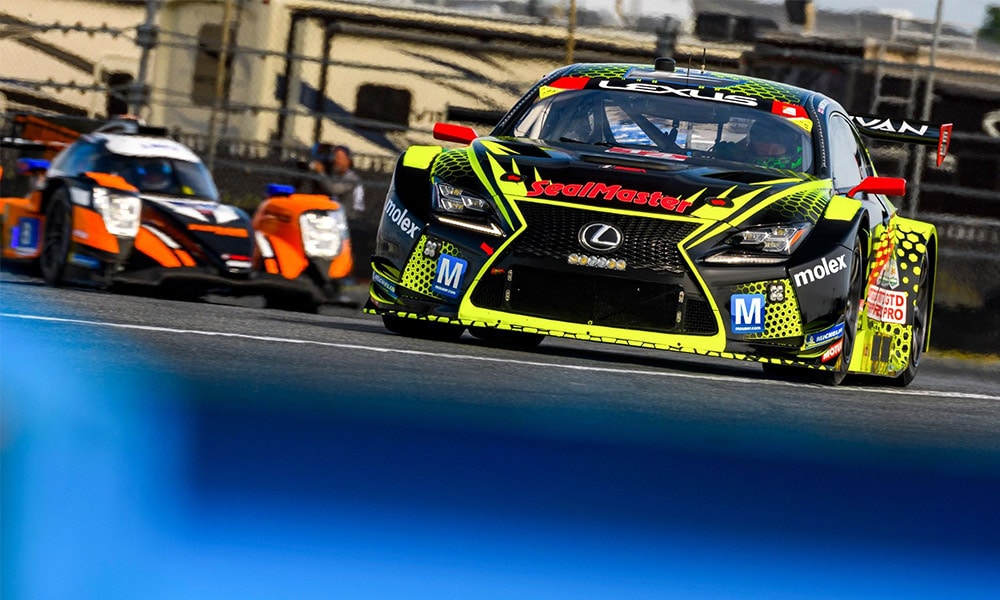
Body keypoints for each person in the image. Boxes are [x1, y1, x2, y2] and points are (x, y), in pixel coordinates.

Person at [714, 120, 803, 170]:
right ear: (754, 144)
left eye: (775, 150)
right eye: (763, 149)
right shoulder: (738, 157)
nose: (769, 152)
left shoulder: (803, 165)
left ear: (788, 148)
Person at [307, 143, 365, 213]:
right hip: (336, 213)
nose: (335, 161)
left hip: (349, 215)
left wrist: (321, 172)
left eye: (339, 158)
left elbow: (333, 189)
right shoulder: (336, 174)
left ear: (348, 161)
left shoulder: (352, 177)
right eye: (334, 157)